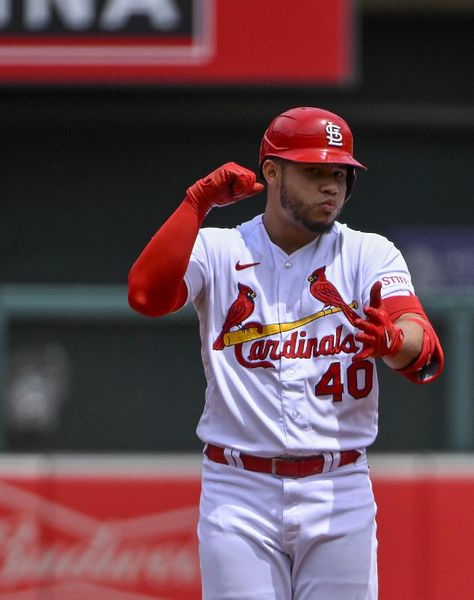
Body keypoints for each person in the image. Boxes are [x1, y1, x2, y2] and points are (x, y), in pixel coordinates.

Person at [127, 106, 444, 600]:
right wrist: (196, 203)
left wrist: (394, 341)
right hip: (239, 490)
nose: (331, 186)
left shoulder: (368, 253)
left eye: (339, 173)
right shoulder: (217, 249)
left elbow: (423, 349)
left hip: (339, 488)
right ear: (272, 172)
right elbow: (146, 296)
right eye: (314, 170)